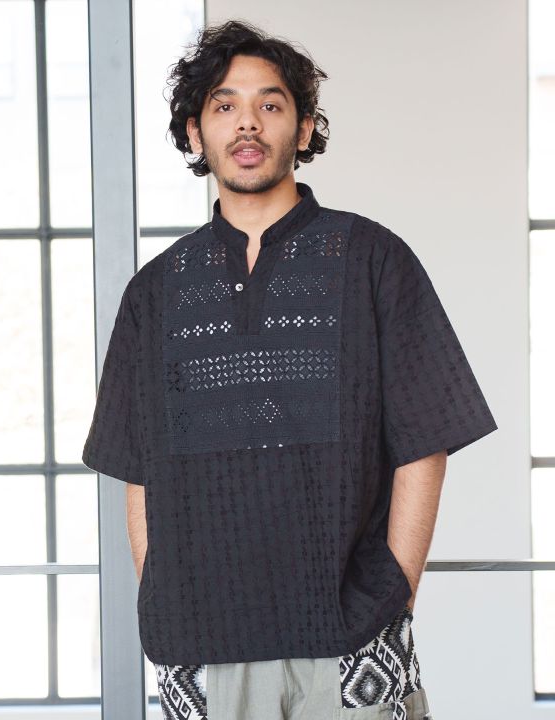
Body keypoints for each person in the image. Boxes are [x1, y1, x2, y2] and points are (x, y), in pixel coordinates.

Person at [82, 18, 498, 720]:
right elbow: (138, 469)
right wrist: (165, 596)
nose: (247, 122)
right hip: (201, 646)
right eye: (224, 105)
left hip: (352, 638)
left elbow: (425, 440)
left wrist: (394, 591)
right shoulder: (154, 292)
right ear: (195, 134)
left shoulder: (374, 260)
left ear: (303, 130)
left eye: (270, 104)